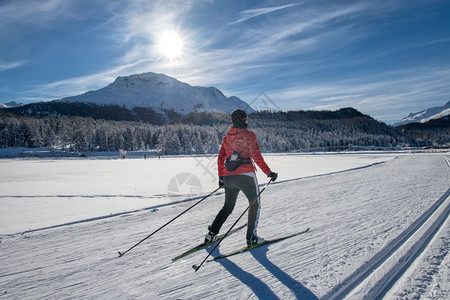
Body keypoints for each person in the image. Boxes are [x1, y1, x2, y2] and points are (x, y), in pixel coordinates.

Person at [205, 109, 278, 246]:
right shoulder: (249, 135)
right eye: (246, 119)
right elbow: (256, 156)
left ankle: (211, 234)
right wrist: (269, 172)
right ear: (242, 120)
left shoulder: (227, 137)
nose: (247, 121)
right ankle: (251, 238)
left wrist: (221, 177)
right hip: (246, 176)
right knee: (254, 203)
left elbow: (221, 158)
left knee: (227, 207)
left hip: (228, 177)